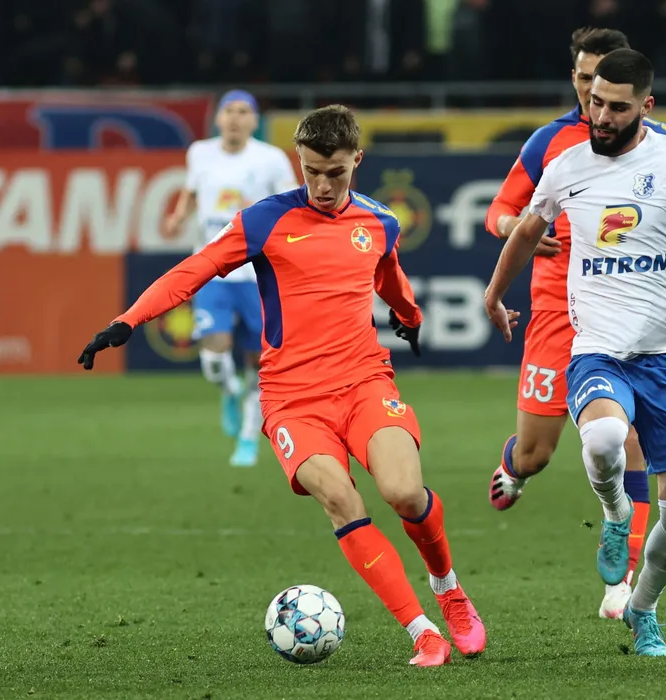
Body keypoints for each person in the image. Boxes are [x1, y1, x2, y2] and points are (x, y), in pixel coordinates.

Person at [80, 105, 485, 668]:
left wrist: (410, 317)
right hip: (293, 400)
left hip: (364, 381)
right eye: (311, 171)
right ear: (299, 160)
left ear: (357, 160)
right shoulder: (263, 221)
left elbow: (389, 277)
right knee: (341, 500)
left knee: (404, 493)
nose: (322, 185)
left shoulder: (379, 222)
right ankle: (422, 632)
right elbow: (194, 269)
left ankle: (449, 591)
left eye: (335, 172)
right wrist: (128, 319)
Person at [484, 27, 666, 620]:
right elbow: (504, 212)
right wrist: (511, 239)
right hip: (558, 311)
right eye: (586, 85)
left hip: (639, 324)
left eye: (610, 98)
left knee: (625, 441)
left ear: (641, 102)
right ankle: (515, 466)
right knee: (540, 452)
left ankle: (621, 579)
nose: (594, 104)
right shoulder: (552, 147)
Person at [163, 89, 300, 468]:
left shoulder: (271, 159)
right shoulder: (199, 152)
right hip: (212, 268)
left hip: (258, 274)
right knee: (213, 357)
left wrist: (269, 223)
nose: (235, 118)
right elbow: (192, 191)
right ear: (218, 118)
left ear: (254, 121)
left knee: (260, 363)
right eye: (229, 111)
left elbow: (292, 206)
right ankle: (228, 390)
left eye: (243, 111)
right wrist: (178, 216)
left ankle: (247, 440)